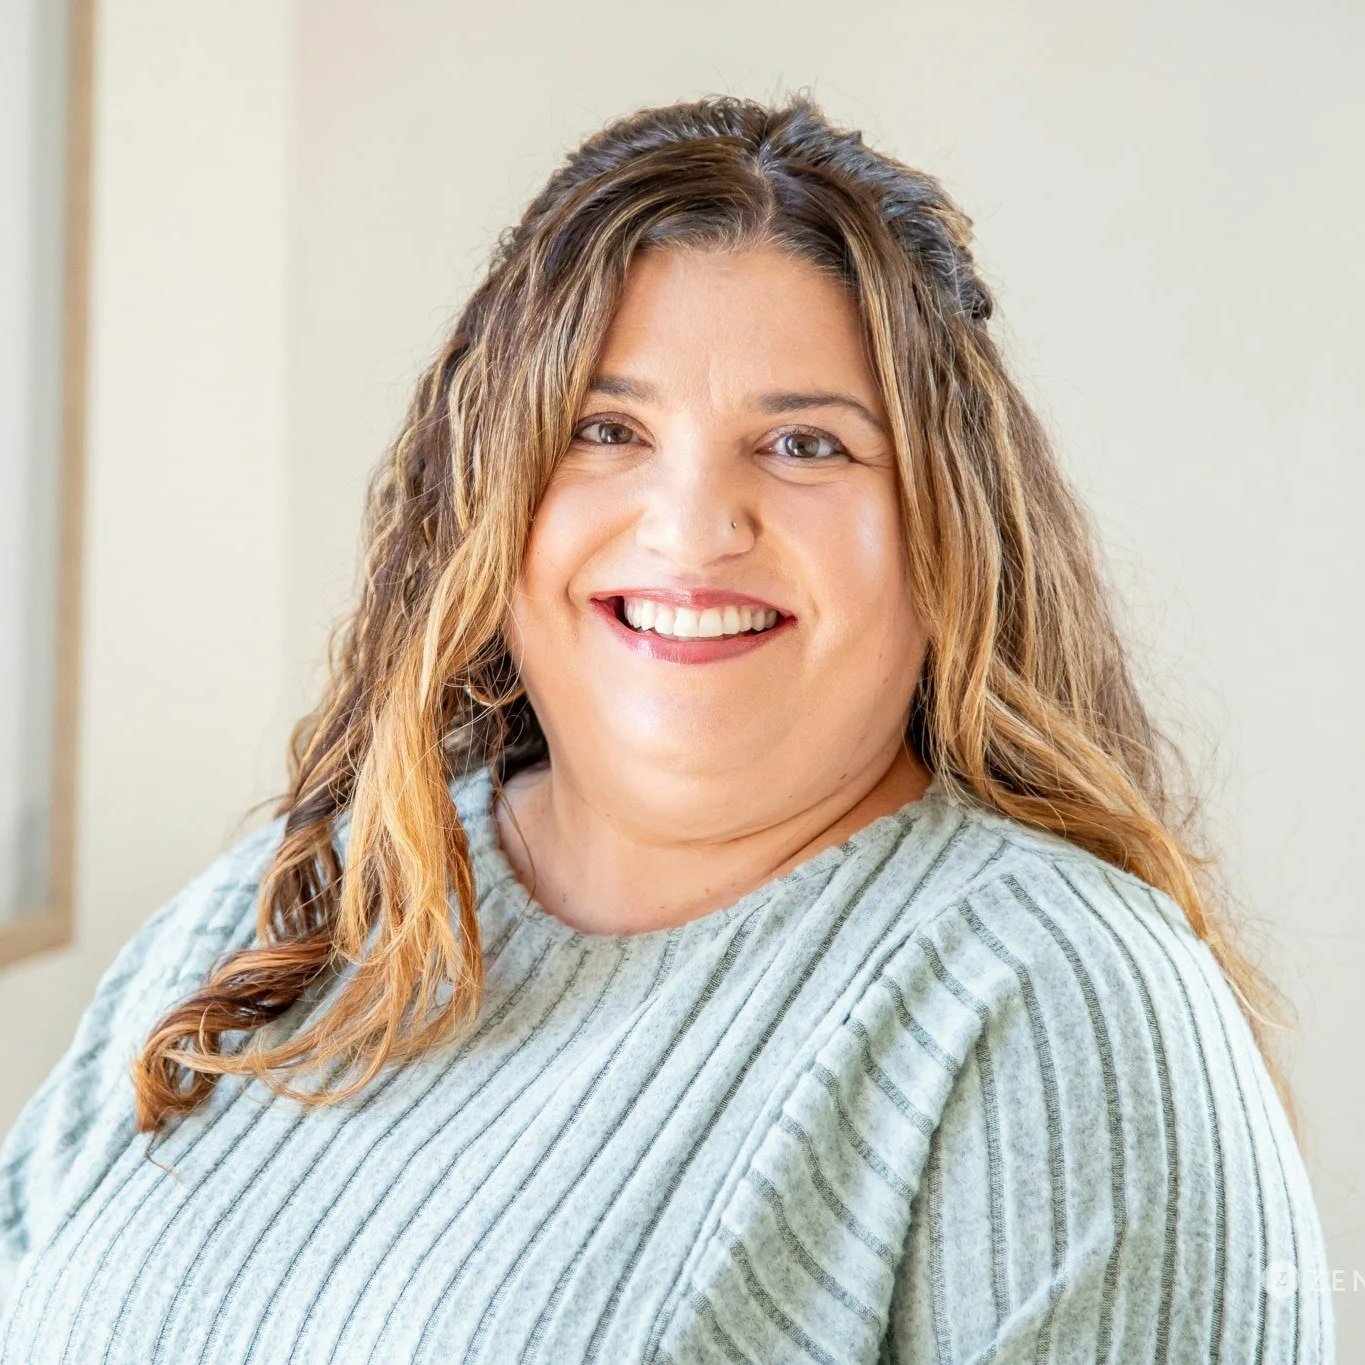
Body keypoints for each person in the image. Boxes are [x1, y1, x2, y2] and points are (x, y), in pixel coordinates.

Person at [0, 91, 1333, 1364]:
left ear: (946, 530)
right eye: (604, 429)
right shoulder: (289, 910)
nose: (693, 526)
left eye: (806, 445)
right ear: (488, 495)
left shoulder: (1057, 999)